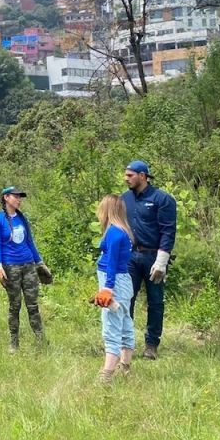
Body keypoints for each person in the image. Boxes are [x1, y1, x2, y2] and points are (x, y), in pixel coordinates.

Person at [122, 160, 177, 360]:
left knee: (155, 301)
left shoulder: (162, 199)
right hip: (129, 257)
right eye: (125, 175)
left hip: (153, 256)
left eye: (130, 175)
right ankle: (124, 343)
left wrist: (162, 260)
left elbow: (168, 230)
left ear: (143, 176)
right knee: (126, 299)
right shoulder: (124, 199)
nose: (126, 178)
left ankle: (151, 345)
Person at [0, 187, 48, 353]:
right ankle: (14, 342)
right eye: (15, 197)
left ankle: (40, 339)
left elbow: (30, 242)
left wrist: (40, 262)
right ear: (6, 198)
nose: (19, 199)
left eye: (20, 197)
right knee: (15, 305)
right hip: (11, 267)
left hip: (28, 265)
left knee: (33, 305)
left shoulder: (22, 218)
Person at [92, 194, 135, 383]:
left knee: (111, 327)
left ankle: (106, 375)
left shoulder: (114, 233)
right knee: (126, 325)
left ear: (107, 210)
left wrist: (107, 289)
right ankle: (125, 368)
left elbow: (111, 263)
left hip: (114, 283)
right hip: (124, 282)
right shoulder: (122, 230)